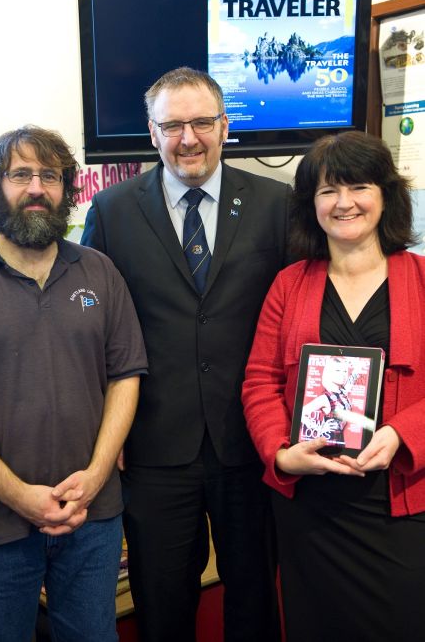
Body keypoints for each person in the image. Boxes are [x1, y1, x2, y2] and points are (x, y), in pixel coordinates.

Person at [81, 67, 291, 642]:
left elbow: (298, 314)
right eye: (172, 125)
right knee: (163, 602)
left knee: (253, 595)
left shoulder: (278, 204)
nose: (189, 138)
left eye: (201, 122)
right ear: (152, 133)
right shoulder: (113, 210)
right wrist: (106, 433)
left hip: (249, 442)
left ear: (225, 126)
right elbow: (90, 330)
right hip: (152, 448)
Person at [0, 126, 148, 642]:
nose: (37, 187)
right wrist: (18, 494)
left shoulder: (100, 271)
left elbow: (124, 377)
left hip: (93, 519)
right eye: (22, 174)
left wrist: (97, 475)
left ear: (68, 188)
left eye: (51, 176)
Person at [242, 130, 425, 641]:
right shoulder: (289, 283)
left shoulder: (423, 278)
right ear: (311, 204)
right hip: (311, 510)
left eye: (358, 186)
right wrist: (280, 454)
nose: (343, 203)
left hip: (402, 504)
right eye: (327, 191)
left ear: (386, 194)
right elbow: (259, 381)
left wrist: (403, 435)